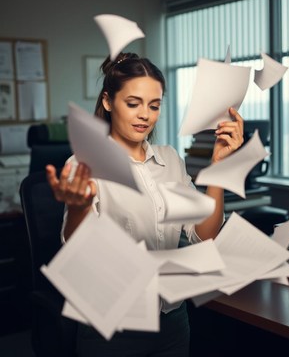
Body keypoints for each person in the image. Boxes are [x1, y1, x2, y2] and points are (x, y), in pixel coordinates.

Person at [46, 52, 244, 357]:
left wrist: (218, 169)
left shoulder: (170, 160)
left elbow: (204, 236)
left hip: (173, 319)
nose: (145, 115)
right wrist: (78, 208)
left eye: (154, 105)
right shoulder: (85, 163)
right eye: (133, 103)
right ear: (109, 101)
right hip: (113, 327)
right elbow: (77, 249)